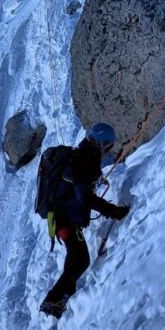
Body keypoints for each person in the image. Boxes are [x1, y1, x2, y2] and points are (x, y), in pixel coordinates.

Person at [39, 123, 130, 319]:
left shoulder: (80, 155)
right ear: (102, 143)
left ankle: (61, 297)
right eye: (109, 146)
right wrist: (115, 212)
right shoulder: (86, 162)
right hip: (65, 219)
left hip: (59, 217)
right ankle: (53, 300)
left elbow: (79, 189)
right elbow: (86, 198)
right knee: (81, 260)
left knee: (75, 257)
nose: (109, 150)